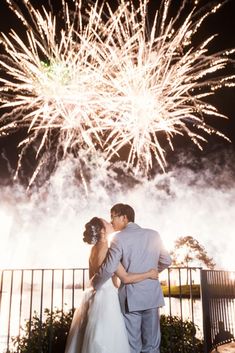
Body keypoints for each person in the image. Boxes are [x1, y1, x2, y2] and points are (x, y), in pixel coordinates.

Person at [65, 216, 159, 353]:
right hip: (107, 299)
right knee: (109, 338)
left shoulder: (93, 249)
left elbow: (96, 277)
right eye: (107, 223)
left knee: (94, 336)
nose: (111, 223)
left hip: (93, 295)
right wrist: (149, 274)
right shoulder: (109, 250)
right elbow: (125, 278)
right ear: (102, 231)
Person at [91, 203, 172, 353]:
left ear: (124, 217)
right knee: (152, 345)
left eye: (113, 217)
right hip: (152, 295)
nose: (112, 221)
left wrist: (95, 283)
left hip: (131, 297)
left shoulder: (118, 238)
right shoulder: (154, 234)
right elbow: (167, 260)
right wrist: (152, 273)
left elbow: (109, 268)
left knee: (133, 346)